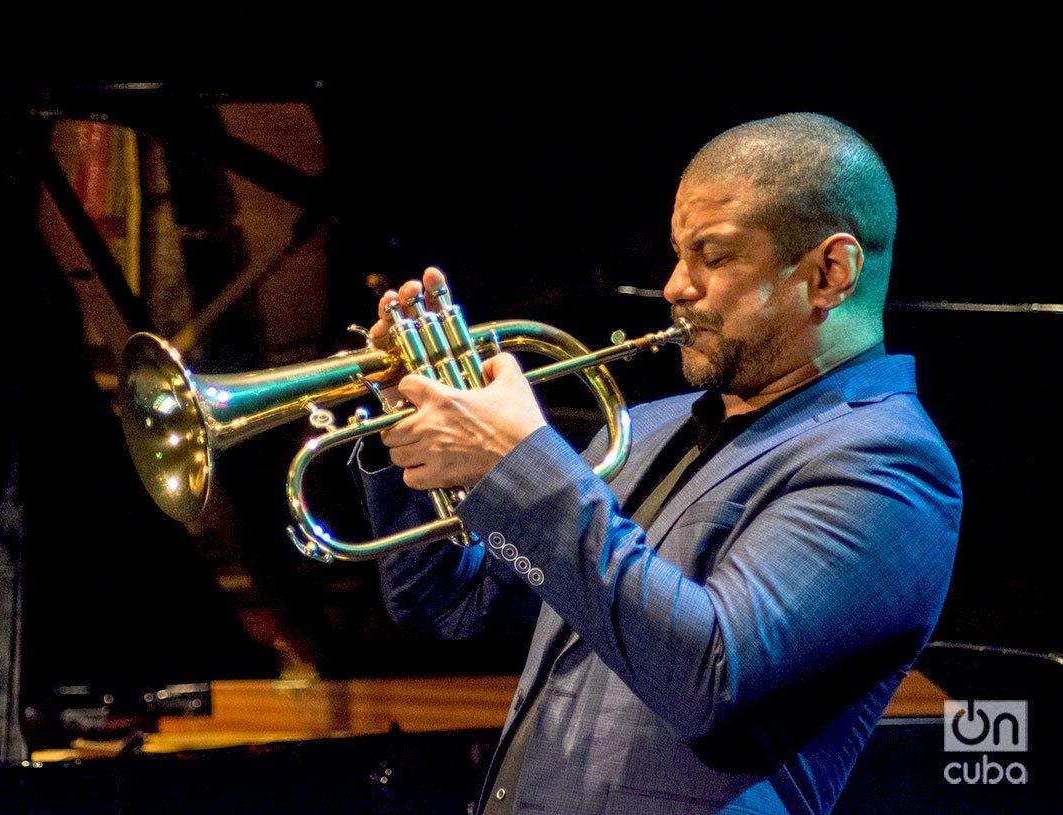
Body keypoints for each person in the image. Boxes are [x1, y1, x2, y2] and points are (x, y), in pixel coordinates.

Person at [353, 112, 962, 815]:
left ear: (830, 272)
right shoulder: (645, 426)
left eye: (714, 254)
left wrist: (520, 462)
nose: (675, 285)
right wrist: (407, 420)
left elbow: (710, 675)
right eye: (678, 253)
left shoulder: (888, 462)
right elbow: (452, 605)